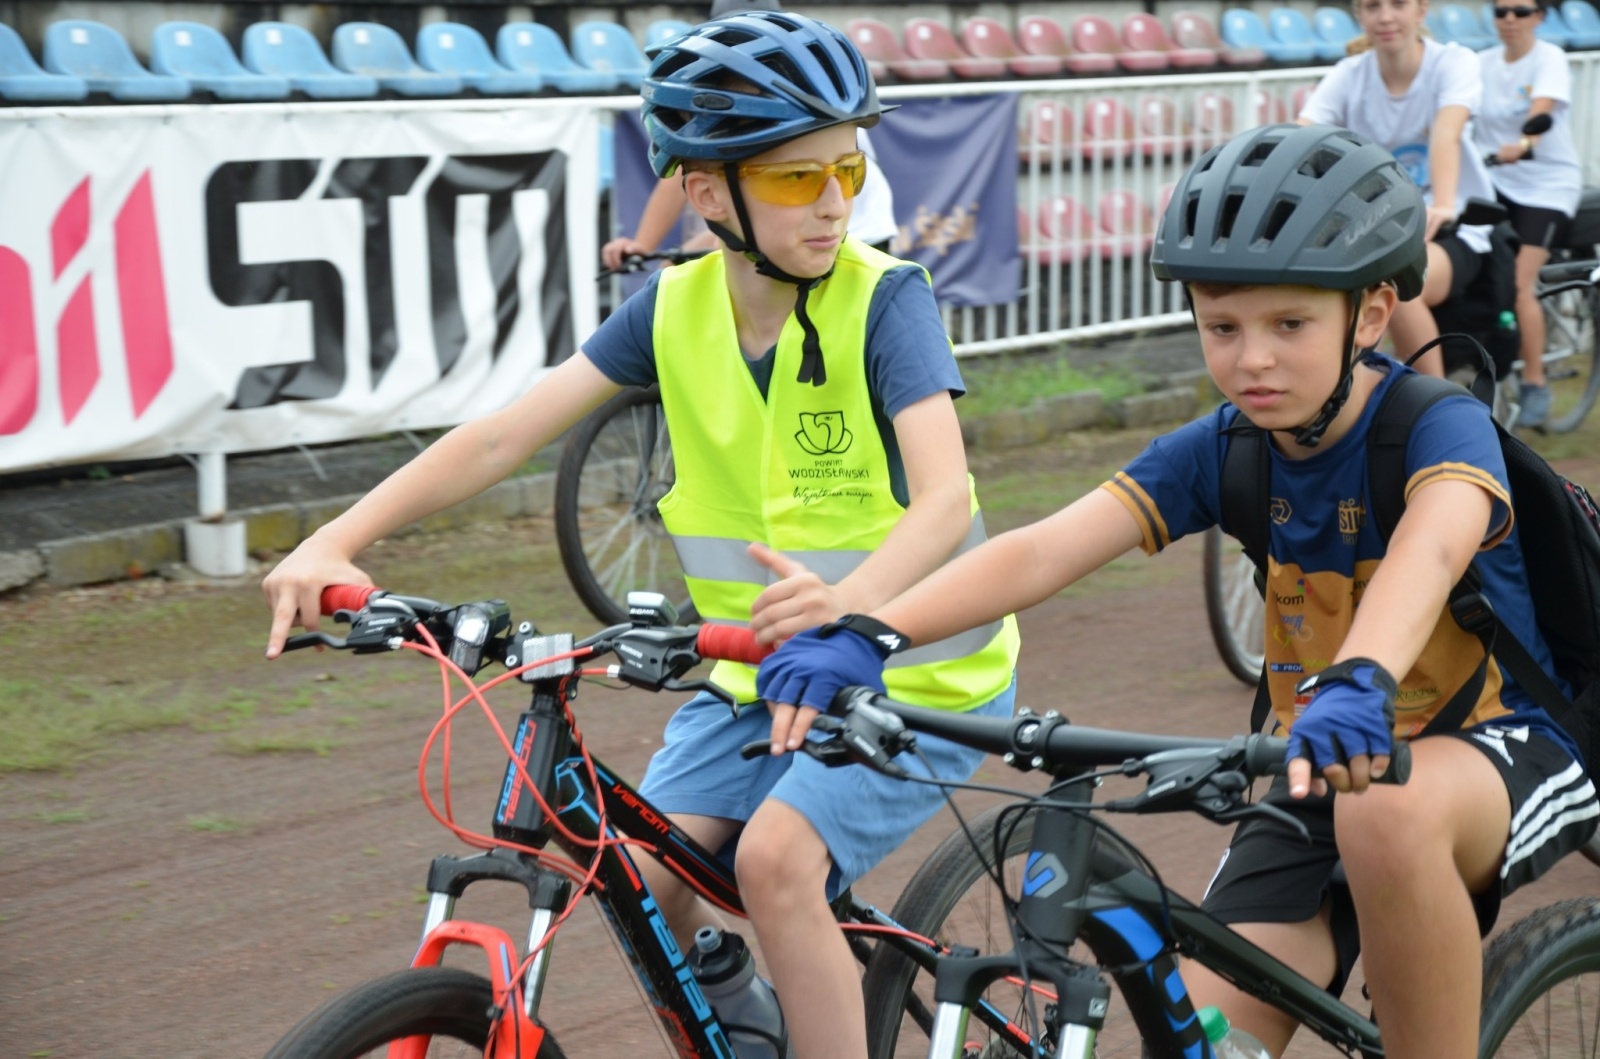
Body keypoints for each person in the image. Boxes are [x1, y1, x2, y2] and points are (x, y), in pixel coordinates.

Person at [261, 12, 1019, 1059]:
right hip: (753, 677)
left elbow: (943, 499)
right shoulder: (671, 310)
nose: (837, 199)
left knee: (777, 863)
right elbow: (501, 437)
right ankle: (744, 1013)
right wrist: (332, 540)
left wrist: (856, 609)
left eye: (847, 165)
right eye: (799, 178)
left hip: (918, 675)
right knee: (642, 877)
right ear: (708, 193)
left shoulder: (884, 301)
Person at [755, 123, 1598, 1059]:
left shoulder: (1437, 426)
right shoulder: (1228, 446)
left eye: (1290, 325)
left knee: (1385, 808)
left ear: (1369, 316)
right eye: (1221, 327)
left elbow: (1432, 551)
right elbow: (1041, 550)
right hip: (1315, 764)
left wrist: (1359, 676)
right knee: (1198, 1045)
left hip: (1496, 740)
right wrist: (872, 630)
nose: (1252, 361)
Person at [600, 0, 898, 271]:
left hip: (856, 239)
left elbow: (692, 174)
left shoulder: (796, 104)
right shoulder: (804, 90)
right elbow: (698, 174)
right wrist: (648, 248)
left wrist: (651, 249)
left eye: (850, 172)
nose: (835, 207)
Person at [1298, 0, 1501, 377]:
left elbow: (1447, 131)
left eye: (1398, 4)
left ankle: (1437, 411)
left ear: (1421, 11)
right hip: (1373, 229)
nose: (1385, 16)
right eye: (1372, 6)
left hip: (1451, 228)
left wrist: (1441, 203)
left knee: (1396, 283)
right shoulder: (1350, 74)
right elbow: (1303, 133)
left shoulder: (1453, 63)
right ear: (1359, 15)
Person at [1473, 0, 1583, 428]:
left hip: (1547, 184)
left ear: (1539, 16)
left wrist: (1524, 141)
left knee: (1519, 284)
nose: (1510, 19)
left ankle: (1535, 383)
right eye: (1501, 11)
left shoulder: (1548, 58)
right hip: (1495, 182)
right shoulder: (1481, 63)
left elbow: (1543, 111)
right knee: (1471, 268)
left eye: (1521, 10)